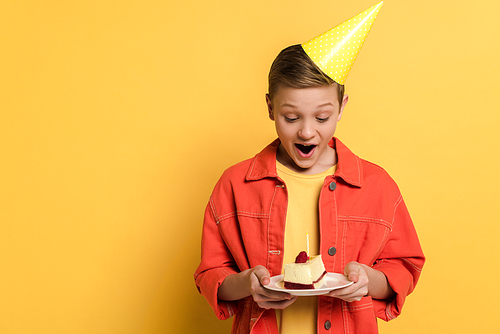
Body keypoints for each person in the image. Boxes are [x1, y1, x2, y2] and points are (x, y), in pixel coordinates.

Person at [194, 2, 424, 333]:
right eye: (291, 117)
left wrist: (368, 281)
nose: (306, 131)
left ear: (342, 107)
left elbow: (404, 268)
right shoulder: (234, 184)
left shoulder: (378, 186)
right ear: (270, 107)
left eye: (322, 117)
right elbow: (210, 274)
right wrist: (248, 284)